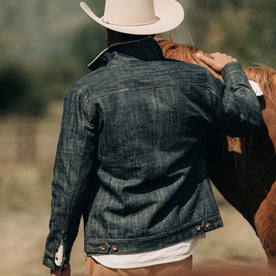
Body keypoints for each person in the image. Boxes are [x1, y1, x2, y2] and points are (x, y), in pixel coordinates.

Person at [43, 0, 263, 275]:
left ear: (108, 32)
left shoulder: (85, 93)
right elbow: (248, 117)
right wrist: (232, 69)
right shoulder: (196, 80)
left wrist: (58, 256)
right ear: (154, 31)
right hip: (177, 247)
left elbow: (70, 184)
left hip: (113, 254)